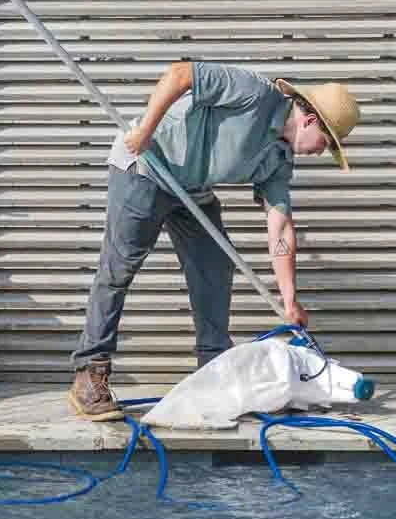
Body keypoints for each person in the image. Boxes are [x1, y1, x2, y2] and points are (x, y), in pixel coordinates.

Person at [66, 60, 361, 421]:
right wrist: (145, 129)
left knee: (214, 267)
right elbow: (179, 74)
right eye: (326, 144)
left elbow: (280, 227)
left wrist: (290, 300)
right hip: (147, 165)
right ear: (310, 120)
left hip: (192, 188)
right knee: (119, 267)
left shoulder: (278, 159)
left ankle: (212, 373)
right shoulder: (254, 93)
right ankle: (89, 374)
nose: (320, 153)